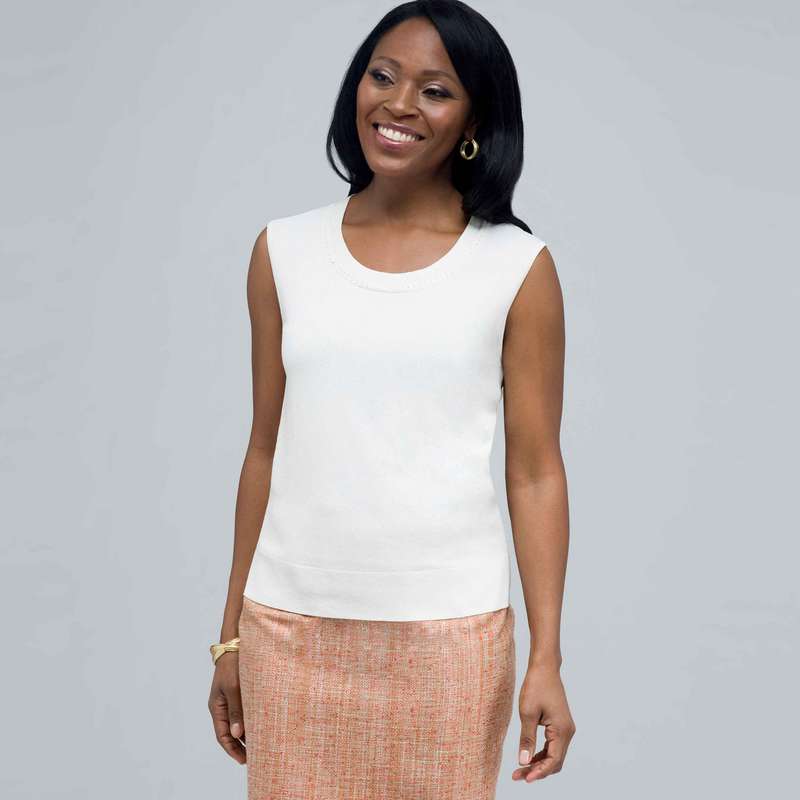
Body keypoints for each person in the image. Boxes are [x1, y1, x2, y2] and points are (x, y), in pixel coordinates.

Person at [208, 1, 575, 797]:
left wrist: (546, 656)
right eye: (383, 76)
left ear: (475, 120)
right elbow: (265, 447)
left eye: (436, 91)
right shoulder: (283, 251)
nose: (400, 104)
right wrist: (230, 637)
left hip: (451, 641)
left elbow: (536, 471)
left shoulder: (516, 268)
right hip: (288, 631)